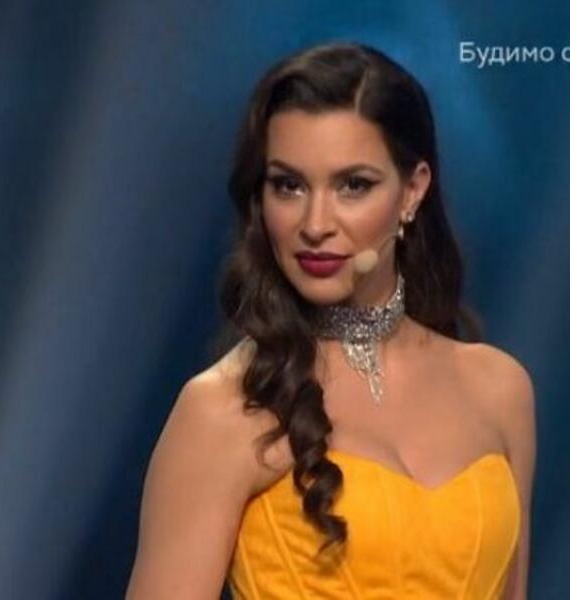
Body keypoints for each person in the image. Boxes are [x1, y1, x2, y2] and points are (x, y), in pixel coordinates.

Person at [125, 41, 536, 599]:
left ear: (412, 191)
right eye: (289, 185)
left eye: (353, 185)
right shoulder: (223, 410)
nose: (315, 224)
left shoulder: (499, 390)